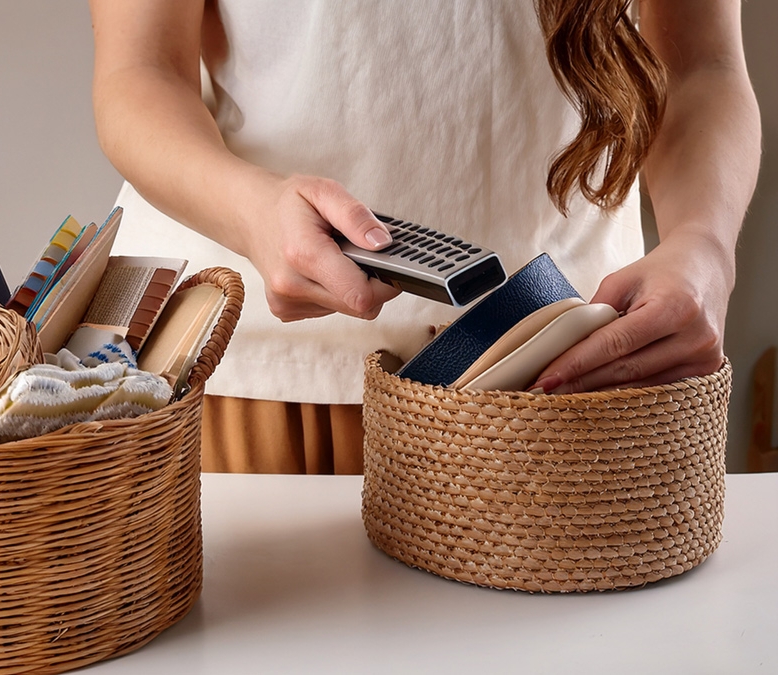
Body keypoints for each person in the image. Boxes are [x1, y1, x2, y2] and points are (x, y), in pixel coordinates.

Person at [88, 0, 761, 474]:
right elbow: (139, 73)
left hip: (559, 373)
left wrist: (704, 246)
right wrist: (252, 212)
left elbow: (704, 66)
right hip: (256, 381)